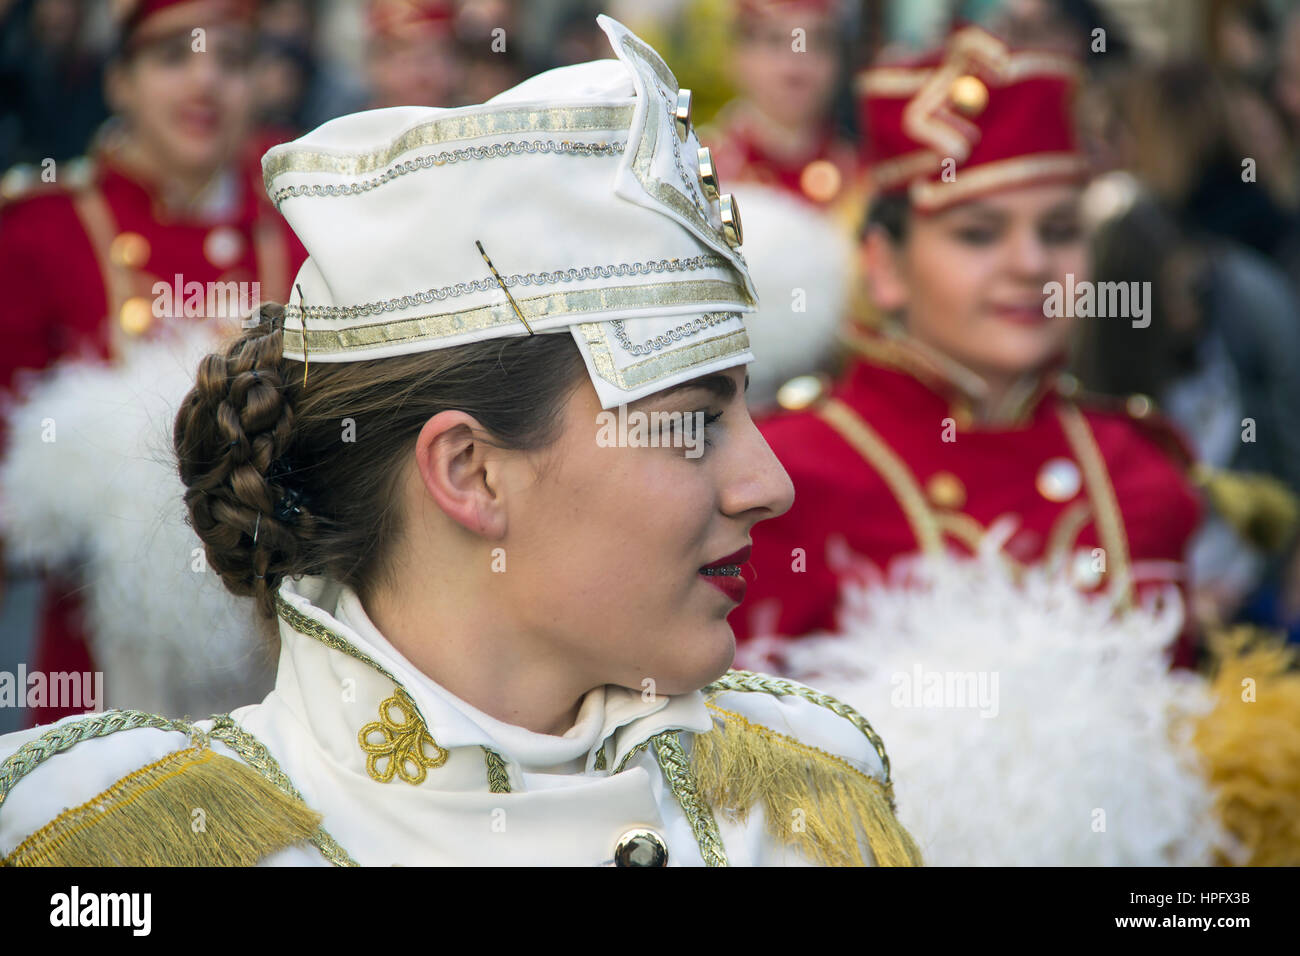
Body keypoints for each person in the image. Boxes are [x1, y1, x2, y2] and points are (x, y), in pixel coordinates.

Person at [0, 15, 922, 868]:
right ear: (470, 472)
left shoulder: (801, 807)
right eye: (695, 423)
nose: (769, 482)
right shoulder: (123, 843)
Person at [729, 24, 1202, 668]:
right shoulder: (781, 482)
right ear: (885, 267)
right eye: (979, 235)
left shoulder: (1140, 470)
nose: (1031, 263)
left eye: (1061, 230)